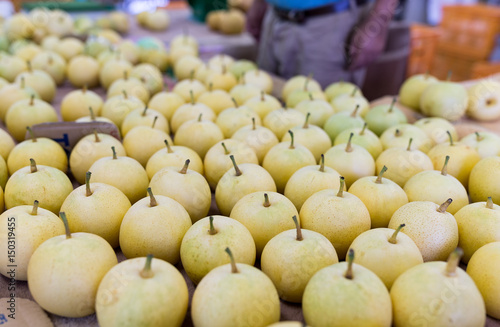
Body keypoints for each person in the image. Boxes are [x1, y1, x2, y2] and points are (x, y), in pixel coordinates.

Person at [246, 0, 399, 88]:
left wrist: (379, 22)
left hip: (332, 22)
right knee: (265, 100)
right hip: (274, 15)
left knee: (317, 116)